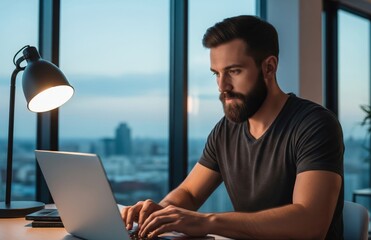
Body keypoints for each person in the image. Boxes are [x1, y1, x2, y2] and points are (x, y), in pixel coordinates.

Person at [122, 15, 344, 239]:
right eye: (216, 73)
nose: (222, 86)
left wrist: (207, 222)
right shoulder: (226, 130)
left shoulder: (315, 125)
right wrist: (159, 213)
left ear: (269, 67)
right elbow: (189, 192)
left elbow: (311, 223)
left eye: (234, 71)